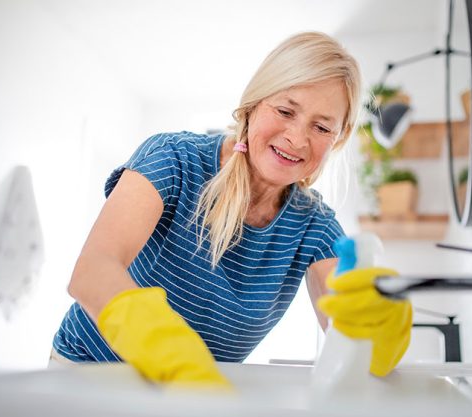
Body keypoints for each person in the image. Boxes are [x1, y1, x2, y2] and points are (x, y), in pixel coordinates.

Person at [51, 31, 412, 387]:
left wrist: (373, 331)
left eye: (321, 127)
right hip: (85, 376)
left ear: (338, 139)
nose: (297, 138)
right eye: (285, 110)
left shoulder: (314, 225)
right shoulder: (175, 159)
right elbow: (92, 272)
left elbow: (345, 322)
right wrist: (162, 343)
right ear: (253, 106)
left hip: (190, 395)